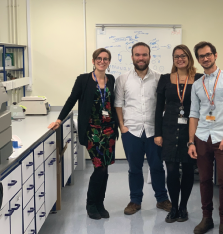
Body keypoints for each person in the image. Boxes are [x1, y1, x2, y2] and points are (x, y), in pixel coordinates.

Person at [48, 48, 119, 220]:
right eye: (99, 58)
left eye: (106, 59)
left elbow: (111, 102)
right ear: (93, 61)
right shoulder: (84, 79)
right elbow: (72, 99)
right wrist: (59, 119)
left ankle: (100, 203)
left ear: (109, 62)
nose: (102, 61)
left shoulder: (111, 79)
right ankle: (90, 204)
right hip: (92, 130)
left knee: (105, 168)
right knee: (99, 168)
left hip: (108, 130)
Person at [188, 41, 223, 234]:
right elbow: (193, 114)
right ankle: (206, 218)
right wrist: (191, 142)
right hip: (202, 137)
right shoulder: (197, 84)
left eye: (208, 54)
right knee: (204, 180)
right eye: (201, 56)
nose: (205, 58)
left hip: (222, 138)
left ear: (215, 55)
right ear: (198, 59)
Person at [115, 42, 171, 215]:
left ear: (149, 56)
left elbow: (164, 104)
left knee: (157, 167)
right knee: (134, 168)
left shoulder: (160, 78)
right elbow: (118, 104)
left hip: (154, 131)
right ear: (132, 57)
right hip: (131, 131)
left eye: (144, 55)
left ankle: (162, 199)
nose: (141, 58)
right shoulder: (122, 79)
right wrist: (122, 127)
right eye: (137, 55)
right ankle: (135, 201)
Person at [154, 45, 203, 223]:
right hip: (168, 129)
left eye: (183, 56)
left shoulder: (198, 79)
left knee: (188, 169)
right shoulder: (165, 79)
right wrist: (157, 133)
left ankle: (183, 207)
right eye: (176, 56)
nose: (180, 59)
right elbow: (159, 107)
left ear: (189, 58)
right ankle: (173, 207)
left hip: (190, 131)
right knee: (172, 171)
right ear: (173, 59)